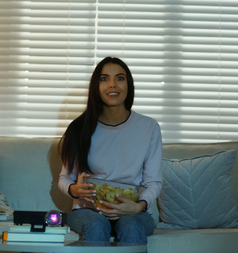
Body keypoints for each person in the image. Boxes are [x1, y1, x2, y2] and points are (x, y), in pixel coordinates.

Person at [58, 57, 162, 245]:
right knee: (97, 225)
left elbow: (153, 182)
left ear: (128, 85)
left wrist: (138, 207)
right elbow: (64, 179)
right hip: (87, 211)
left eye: (119, 78)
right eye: (104, 79)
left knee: (130, 224)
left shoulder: (149, 127)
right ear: (96, 86)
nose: (112, 85)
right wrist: (74, 190)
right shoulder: (78, 128)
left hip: (134, 213)